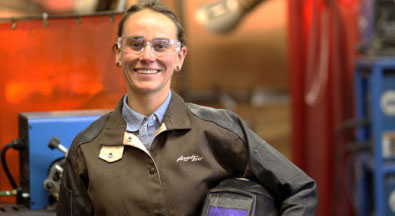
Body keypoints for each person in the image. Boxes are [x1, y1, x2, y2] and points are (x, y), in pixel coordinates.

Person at [57, 0, 318, 215]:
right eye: (136, 44)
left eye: (161, 46)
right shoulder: (86, 149)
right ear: (117, 53)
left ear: (180, 57)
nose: (147, 56)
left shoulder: (219, 130)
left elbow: (300, 191)